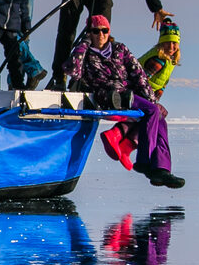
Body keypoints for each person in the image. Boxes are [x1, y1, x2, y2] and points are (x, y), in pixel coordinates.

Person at [67, 15, 184, 188]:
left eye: (104, 30)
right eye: (95, 31)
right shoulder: (86, 53)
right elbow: (73, 71)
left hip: (125, 93)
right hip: (105, 96)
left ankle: (161, 169)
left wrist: (152, 100)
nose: (100, 35)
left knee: (158, 118)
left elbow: (139, 75)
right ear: (89, 33)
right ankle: (144, 161)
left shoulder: (119, 49)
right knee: (152, 111)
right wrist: (83, 44)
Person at [102, 16, 180, 169]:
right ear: (161, 43)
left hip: (145, 95)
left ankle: (125, 145)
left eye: (174, 43)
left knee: (158, 114)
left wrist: (156, 99)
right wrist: (151, 102)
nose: (171, 46)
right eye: (168, 42)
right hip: (134, 93)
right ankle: (120, 138)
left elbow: (161, 85)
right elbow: (140, 79)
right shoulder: (159, 60)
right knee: (153, 115)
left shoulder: (170, 60)